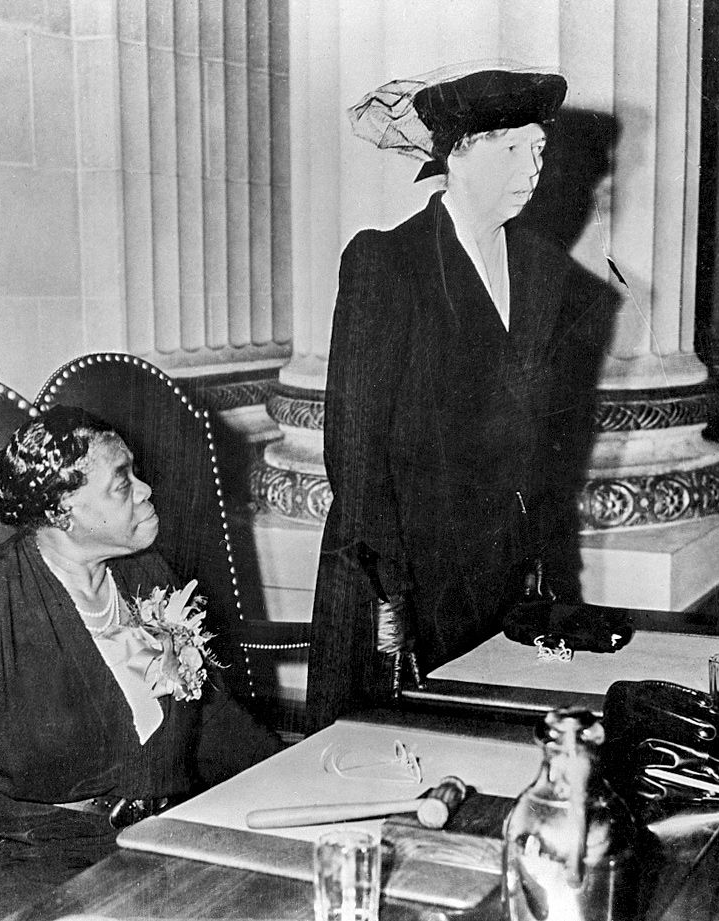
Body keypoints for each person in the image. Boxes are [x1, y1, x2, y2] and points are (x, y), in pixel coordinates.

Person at [0, 405, 283, 921]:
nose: (145, 490)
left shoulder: (148, 574)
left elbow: (211, 724)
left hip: (157, 838)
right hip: (29, 856)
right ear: (63, 511)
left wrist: (293, 779)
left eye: (135, 472)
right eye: (121, 482)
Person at [306, 62, 615, 732]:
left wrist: (549, 582)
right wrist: (391, 597)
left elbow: (540, 453)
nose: (533, 167)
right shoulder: (388, 263)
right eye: (513, 149)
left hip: (500, 588)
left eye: (540, 150)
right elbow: (353, 451)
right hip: (399, 586)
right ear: (460, 154)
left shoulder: (544, 272)